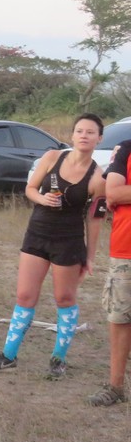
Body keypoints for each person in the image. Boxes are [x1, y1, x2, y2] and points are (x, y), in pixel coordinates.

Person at [0, 114, 105, 379]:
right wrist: (42, 199)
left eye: (90, 132)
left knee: (64, 298)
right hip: (37, 235)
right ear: (72, 135)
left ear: (99, 138)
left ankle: (58, 359)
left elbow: (95, 219)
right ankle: (8, 355)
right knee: (25, 296)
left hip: (69, 241)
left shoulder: (98, 178)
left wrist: (90, 256)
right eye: (79, 131)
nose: (84, 136)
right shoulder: (52, 157)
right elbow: (30, 188)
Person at [90, 135, 131, 405]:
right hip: (126, 250)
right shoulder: (127, 148)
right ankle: (115, 387)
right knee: (120, 318)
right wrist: (120, 193)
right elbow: (113, 193)